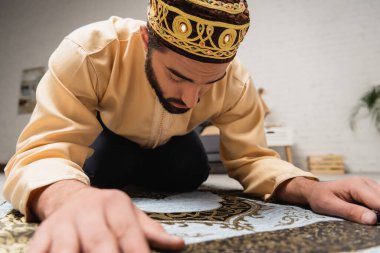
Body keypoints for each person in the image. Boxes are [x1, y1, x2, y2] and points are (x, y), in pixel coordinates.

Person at [2, 0, 380, 252]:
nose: (191, 100)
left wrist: (308, 188)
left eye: (209, 83)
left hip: (178, 149)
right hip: (110, 142)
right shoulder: (89, 52)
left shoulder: (237, 82)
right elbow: (44, 148)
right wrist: (69, 197)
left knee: (191, 172)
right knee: (95, 173)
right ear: (146, 39)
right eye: (178, 76)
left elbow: (252, 158)